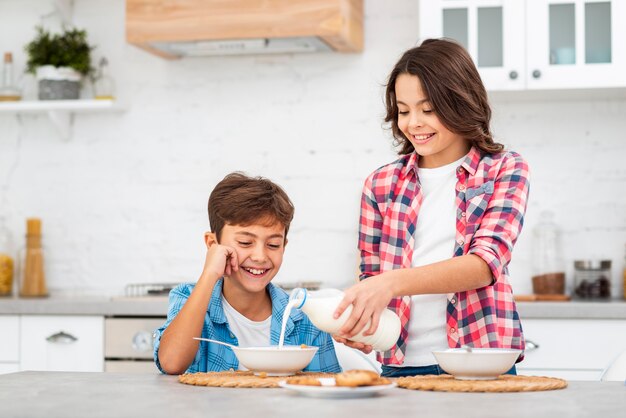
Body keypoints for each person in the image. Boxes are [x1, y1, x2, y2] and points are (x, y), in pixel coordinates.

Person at [333, 38, 530, 378]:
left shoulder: (504, 169)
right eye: (404, 111)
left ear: (460, 102)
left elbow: (485, 263)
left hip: (481, 361)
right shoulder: (380, 184)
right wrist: (363, 322)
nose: (414, 123)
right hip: (402, 366)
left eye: (428, 109)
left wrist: (390, 283)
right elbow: (371, 275)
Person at [154, 172, 341, 374]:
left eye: (273, 244)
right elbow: (172, 363)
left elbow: (328, 389)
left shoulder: (306, 320)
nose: (260, 256)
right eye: (245, 243)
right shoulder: (189, 299)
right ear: (212, 244)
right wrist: (209, 274)